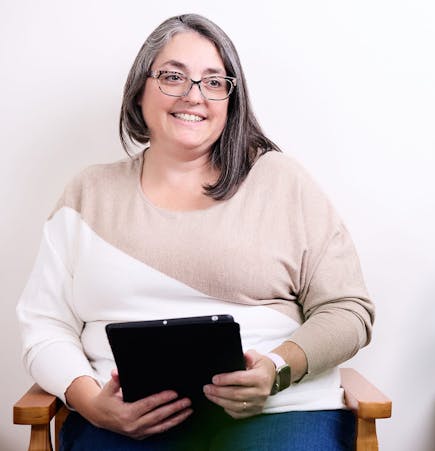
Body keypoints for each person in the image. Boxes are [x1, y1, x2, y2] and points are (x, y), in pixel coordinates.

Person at [17, 13, 374, 450]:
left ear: (230, 99)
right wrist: (91, 403)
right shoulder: (88, 193)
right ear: (139, 90)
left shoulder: (282, 182)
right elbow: (45, 325)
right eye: (173, 76)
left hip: (279, 412)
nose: (194, 96)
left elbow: (347, 310)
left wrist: (277, 368)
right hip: (119, 421)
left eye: (214, 82)